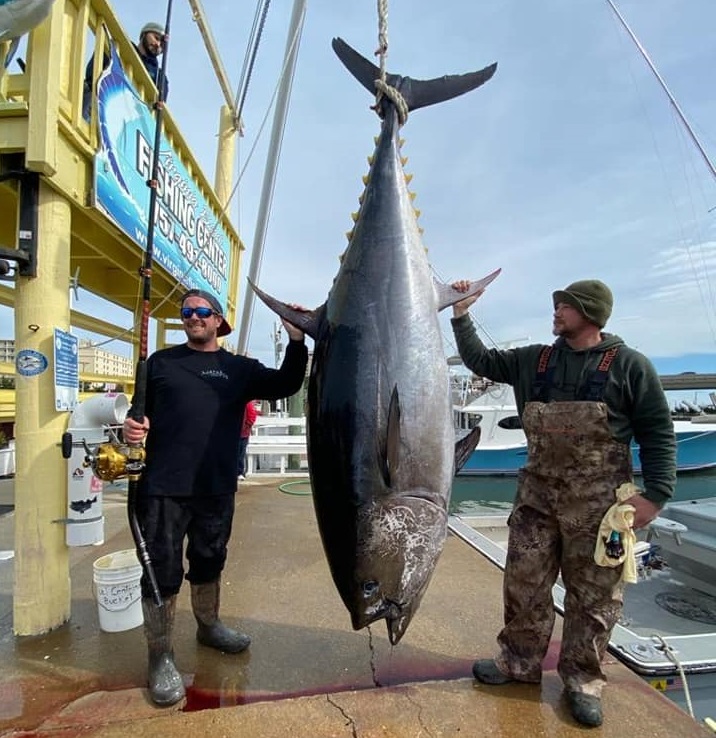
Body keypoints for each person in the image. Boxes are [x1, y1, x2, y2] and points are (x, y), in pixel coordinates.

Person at [450, 278, 676, 728]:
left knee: (594, 598)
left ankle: (583, 680)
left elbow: (657, 431)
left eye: (565, 306)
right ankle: (518, 662)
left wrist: (656, 496)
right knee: (524, 585)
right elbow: (480, 360)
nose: (555, 312)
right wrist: (461, 314)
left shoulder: (630, 366)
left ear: (590, 313)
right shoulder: (534, 360)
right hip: (536, 500)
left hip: (599, 509)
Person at [122, 288, 308, 707]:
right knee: (162, 574)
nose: (193, 317)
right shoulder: (160, 364)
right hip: (162, 488)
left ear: (218, 319)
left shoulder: (238, 369)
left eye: (202, 311)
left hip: (216, 487)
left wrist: (296, 339)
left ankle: (209, 625)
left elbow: (287, 382)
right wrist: (133, 428)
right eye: (187, 312)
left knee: (209, 561)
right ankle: (160, 656)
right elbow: (138, 414)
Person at [82, 21, 169, 121]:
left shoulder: (160, 76)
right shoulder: (123, 48)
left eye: (162, 45)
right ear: (144, 34)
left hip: (129, 117)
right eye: (156, 38)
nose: (158, 44)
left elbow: (159, 105)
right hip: (103, 100)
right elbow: (94, 69)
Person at [237, 400, 258, 480]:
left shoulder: (248, 403)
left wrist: (247, 426)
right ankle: (236, 472)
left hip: (243, 433)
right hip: (235, 433)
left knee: (240, 454)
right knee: (236, 454)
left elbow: (252, 416)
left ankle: (240, 472)